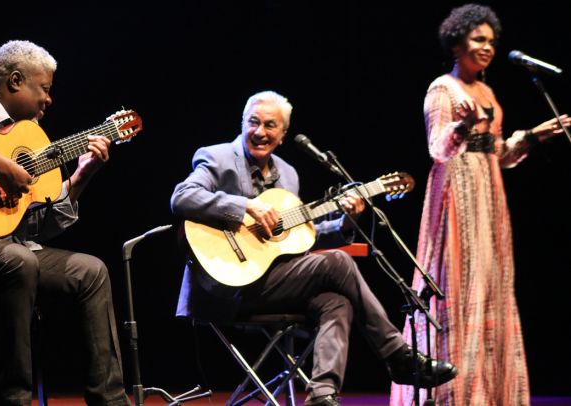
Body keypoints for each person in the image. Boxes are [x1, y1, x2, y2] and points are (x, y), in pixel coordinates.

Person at [170, 90, 457, 406]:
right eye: (253, 122)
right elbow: (182, 197)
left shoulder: (288, 175)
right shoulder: (217, 157)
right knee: (337, 263)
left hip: (270, 284)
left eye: (270, 125)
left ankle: (322, 395)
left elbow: (301, 236)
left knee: (335, 301)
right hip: (222, 287)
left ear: (282, 135)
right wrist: (245, 207)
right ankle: (396, 354)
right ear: (242, 123)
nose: (260, 132)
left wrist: (344, 224)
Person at [0, 40, 131, 406]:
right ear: (16, 80)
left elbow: (34, 229)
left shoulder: (27, 137)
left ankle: (110, 401)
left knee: (90, 271)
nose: (49, 100)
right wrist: (1, 166)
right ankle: (14, 401)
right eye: (44, 88)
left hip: (0, 250)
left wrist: (80, 178)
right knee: (18, 260)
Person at [389, 4, 571, 406]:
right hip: (456, 194)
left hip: (489, 197)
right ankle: (451, 392)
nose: (487, 48)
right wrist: (461, 125)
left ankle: (486, 391)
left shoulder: (487, 92)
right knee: (458, 284)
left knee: (488, 288)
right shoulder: (442, 89)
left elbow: (499, 153)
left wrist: (533, 137)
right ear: (457, 43)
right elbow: (438, 149)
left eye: (492, 41)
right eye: (478, 40)